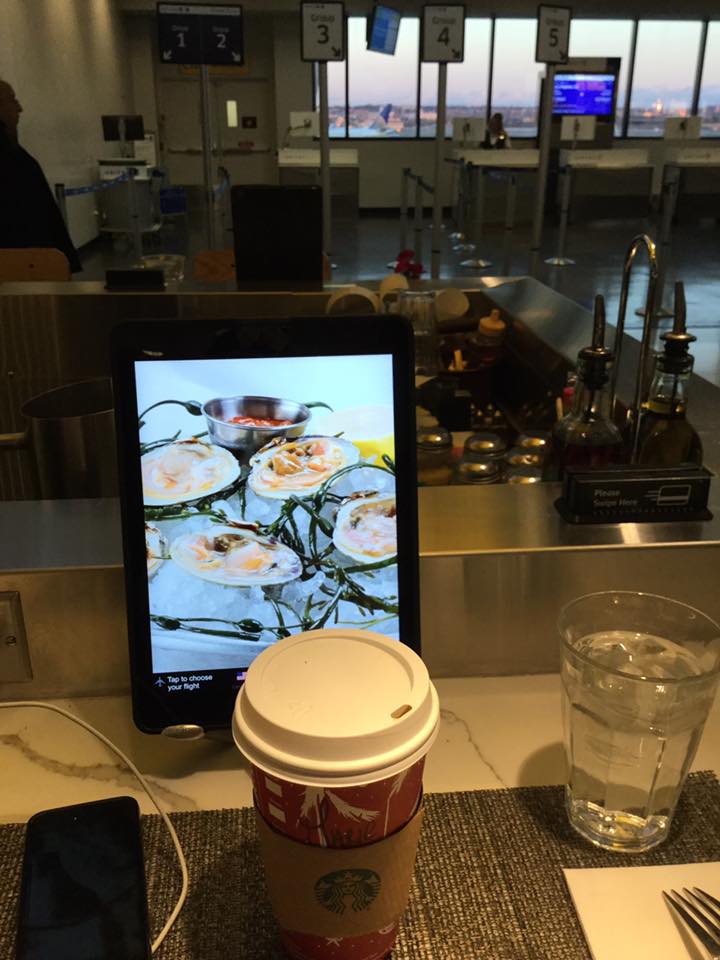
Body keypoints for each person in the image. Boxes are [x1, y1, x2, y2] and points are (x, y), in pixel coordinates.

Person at [0, 80, 82, 272]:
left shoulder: (13, 153)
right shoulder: (12, 158)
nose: (19, 108)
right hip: (25, 264)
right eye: (12, 100)